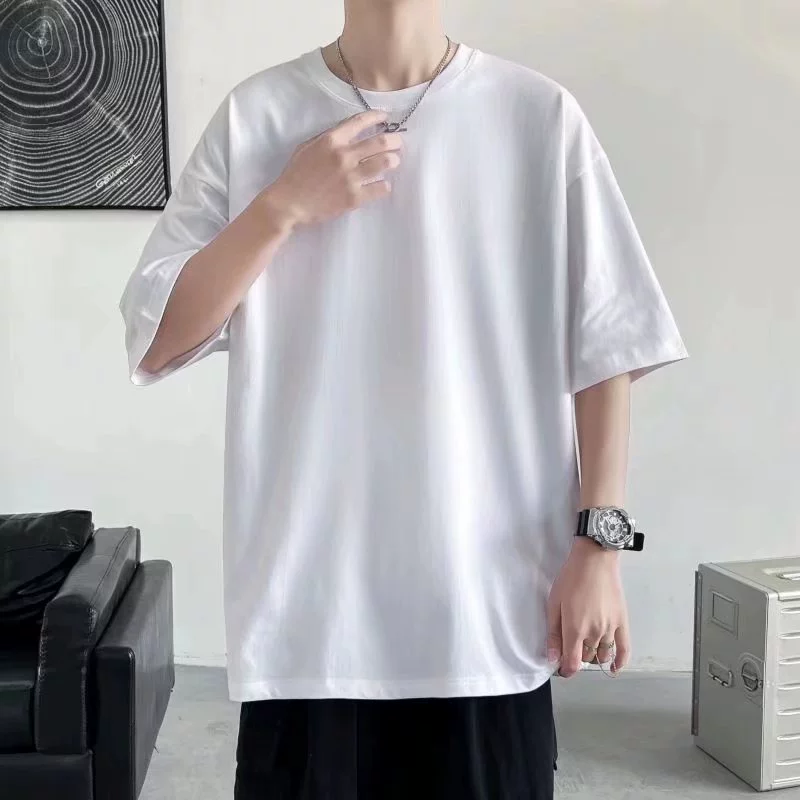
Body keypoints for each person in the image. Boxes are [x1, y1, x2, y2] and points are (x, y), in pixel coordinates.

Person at [120, 0, 687, 797]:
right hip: (309, 625)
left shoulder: (537, 115)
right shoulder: (258, 114)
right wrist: (283, 206)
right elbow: (158, 339)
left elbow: (608, 347)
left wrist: (599, 549)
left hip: (486, 611)